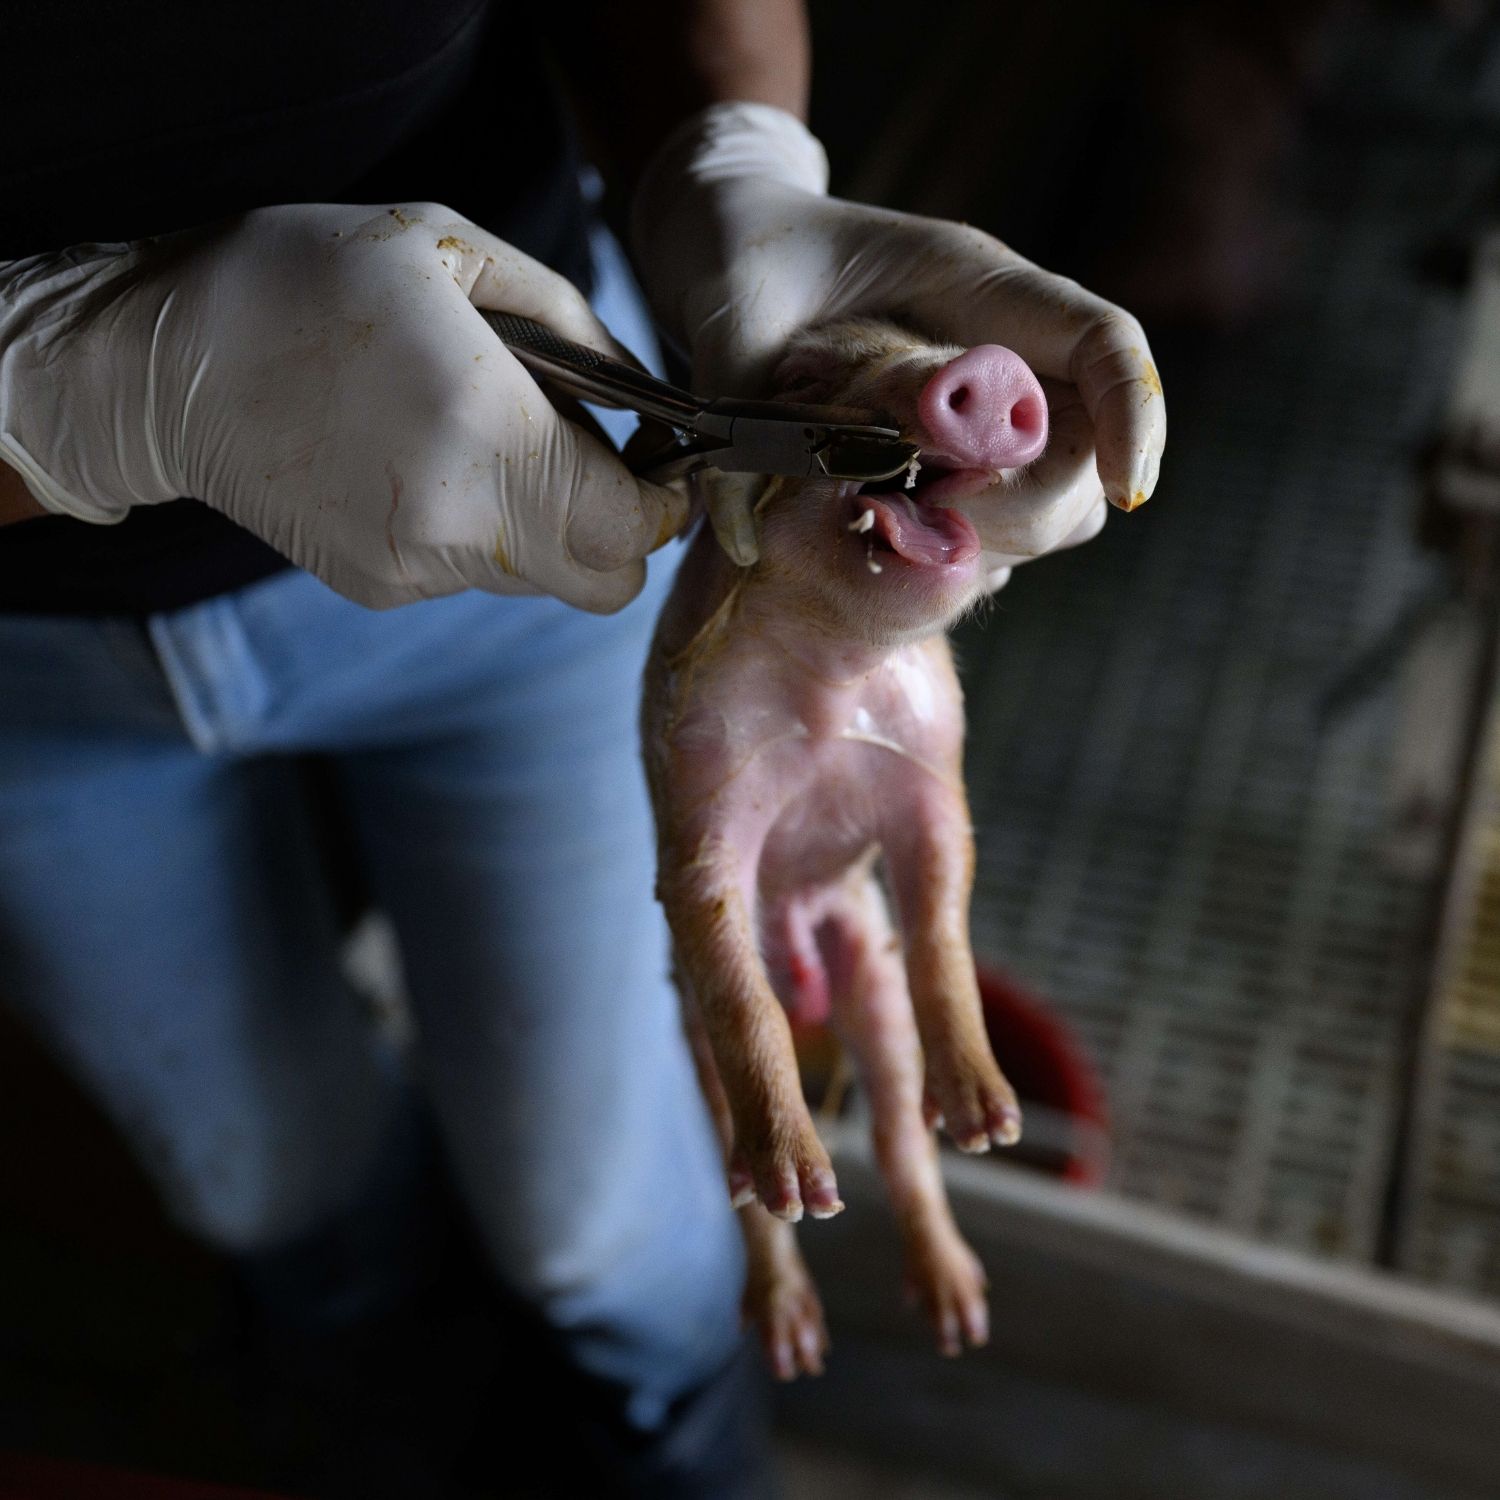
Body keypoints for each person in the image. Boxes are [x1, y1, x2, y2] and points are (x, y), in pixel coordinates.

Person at [0, 2, 1165, 1494]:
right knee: (255, 1167)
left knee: (597, 1222)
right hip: (27, 662)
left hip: (539, 509)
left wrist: (732, 155)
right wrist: (64, 382)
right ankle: (386, 1412)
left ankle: (669, 1444)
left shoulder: (825, 647)